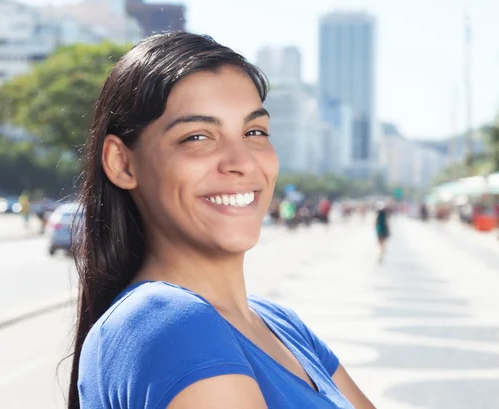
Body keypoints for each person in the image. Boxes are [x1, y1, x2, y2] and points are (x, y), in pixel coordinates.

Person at [68, 32, 376, 409]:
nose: (242, 161)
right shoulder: (170, 323)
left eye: (254, 132)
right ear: (122, 163)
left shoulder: (280, 324)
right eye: (197, 136)